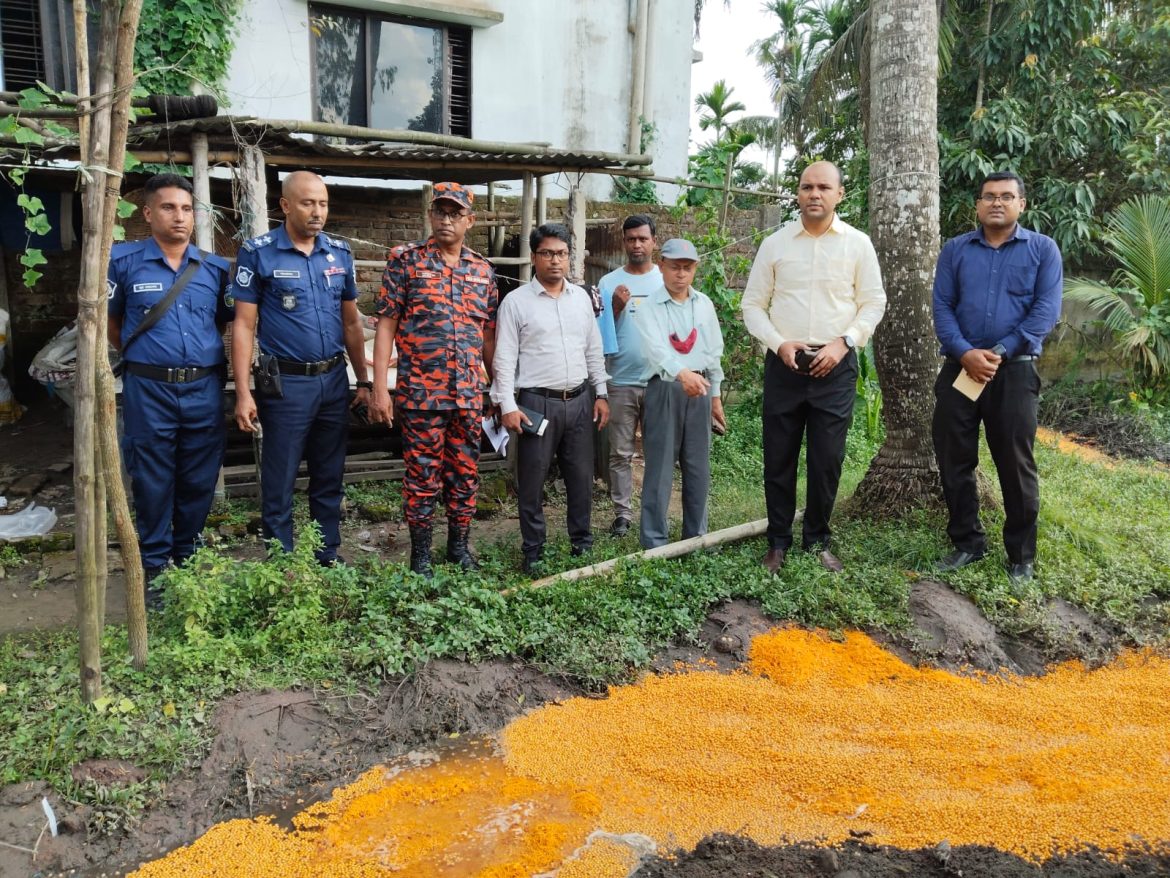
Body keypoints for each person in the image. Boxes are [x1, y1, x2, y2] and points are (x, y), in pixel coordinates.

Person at [741, 160, 886, 574]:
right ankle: (778, 542)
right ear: (798, 193)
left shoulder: (858, 245)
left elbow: (873, 303)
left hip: (835, 365)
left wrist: (845, 343)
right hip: (785, 364)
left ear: (840, 194)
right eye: (807, 187)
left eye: (823, 187)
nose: (814, 194)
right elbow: (752, 305)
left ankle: (818, 539)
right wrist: (778, 343)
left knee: (827, 460)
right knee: (779, 457)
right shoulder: (776, 244)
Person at [230, 171, 371, 566]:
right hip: (286, 385)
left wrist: (362, 380)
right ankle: (282, 560)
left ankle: (326, 553)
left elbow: (351, 323)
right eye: (308, 203)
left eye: (323, 203)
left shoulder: (339, 253)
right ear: (286, 205)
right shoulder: (258, 252)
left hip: (332, 381)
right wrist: (243, 393)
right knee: (280, 476)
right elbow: (243, 325)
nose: (317, 212)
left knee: (329, 473)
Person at [107, 173, 233, 605]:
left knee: (198, 477)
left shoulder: (214, 269)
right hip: (149, 390)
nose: (179, 217)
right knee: (152, 478)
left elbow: (220, 320)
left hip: (202, 389)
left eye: (185, 209)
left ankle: (189, 556)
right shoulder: (122, 262)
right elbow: (111, 322)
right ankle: (156, 568)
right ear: (147, 213)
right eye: (168, 208)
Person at [932, 171, 1063, 584]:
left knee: (1015, 463)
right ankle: (967, 543)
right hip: (959, 370)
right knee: (955, 460)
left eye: (1007, 196)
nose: (997, 203)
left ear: (1021, 204)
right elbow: (942, 307)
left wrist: (999, 352)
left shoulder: (1043, 250)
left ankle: (1021, 556)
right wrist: (966, 353)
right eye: (989, 196)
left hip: (1015, 374)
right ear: (977, 205)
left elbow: (1045, 312)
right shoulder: (955, 251)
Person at [370, 182, 497, 577]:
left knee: (465, 474)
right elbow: (386, 326)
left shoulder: (482, 270)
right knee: (422, 476)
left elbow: (487, 335)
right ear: (430, 216)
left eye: (455, 213)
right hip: (421, 396)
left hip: (468, 397)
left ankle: (458, 547)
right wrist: (378, 388)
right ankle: (420, 554)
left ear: (470, 221)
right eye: (440, 211)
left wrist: (495, 387)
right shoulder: (405, 262)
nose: (446, 219)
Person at [492, 223, 610, 573]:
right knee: (531, 480)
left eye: (560, 253)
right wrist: (507, 405)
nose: (554, 260)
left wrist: (600, 393)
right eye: (547, 253)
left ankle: (581, 543)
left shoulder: (581, 300)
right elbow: (504, 357)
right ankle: (533, 550)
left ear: (568, 257)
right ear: (534, 257)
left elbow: (593, 350)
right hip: (535, 405)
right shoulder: (516, 303)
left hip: (578, 401)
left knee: (580, 476)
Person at [635, 239, 725, 549]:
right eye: (675, 267)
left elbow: (713, 352)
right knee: (660, 467)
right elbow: (656, 349)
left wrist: (715, 396)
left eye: (687, 268)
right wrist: (681, 373)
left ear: (695, 269)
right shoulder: (649, 307)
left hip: (699, 388)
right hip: (666, 388)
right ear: (661, 266)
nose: (681, 274)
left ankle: (696, 537)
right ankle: (654, 541)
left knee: (698, 465)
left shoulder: (704, 304)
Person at [596, 214, 661, 537]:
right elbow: (598, 333)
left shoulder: (666, 280)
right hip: (620, 380)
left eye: (643, 238)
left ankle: (653, 510)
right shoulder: (608, 284)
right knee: (620, 452)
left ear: (653, 242)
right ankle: (623, 514)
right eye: (631, 238)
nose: (637, 244)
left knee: (656, 450)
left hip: (659, 381)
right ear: (624, 242)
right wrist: (617, 307)